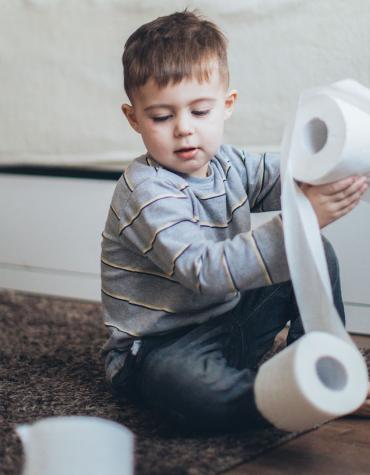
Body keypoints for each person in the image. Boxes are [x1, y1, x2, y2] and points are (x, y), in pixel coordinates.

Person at [100, 10, 369, 431]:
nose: (184, 130)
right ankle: (279, 398)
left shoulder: (228, 162)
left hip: (229, 318)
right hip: (161, 348)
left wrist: (336, 165)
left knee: (317, 250)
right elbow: (203, 270)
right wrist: (306, 218)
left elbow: (287, 174)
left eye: (200, 111)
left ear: (227, 106)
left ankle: (317, 363)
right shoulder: (146, 191)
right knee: (185, 385)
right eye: (162, 117)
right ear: (134, 118)